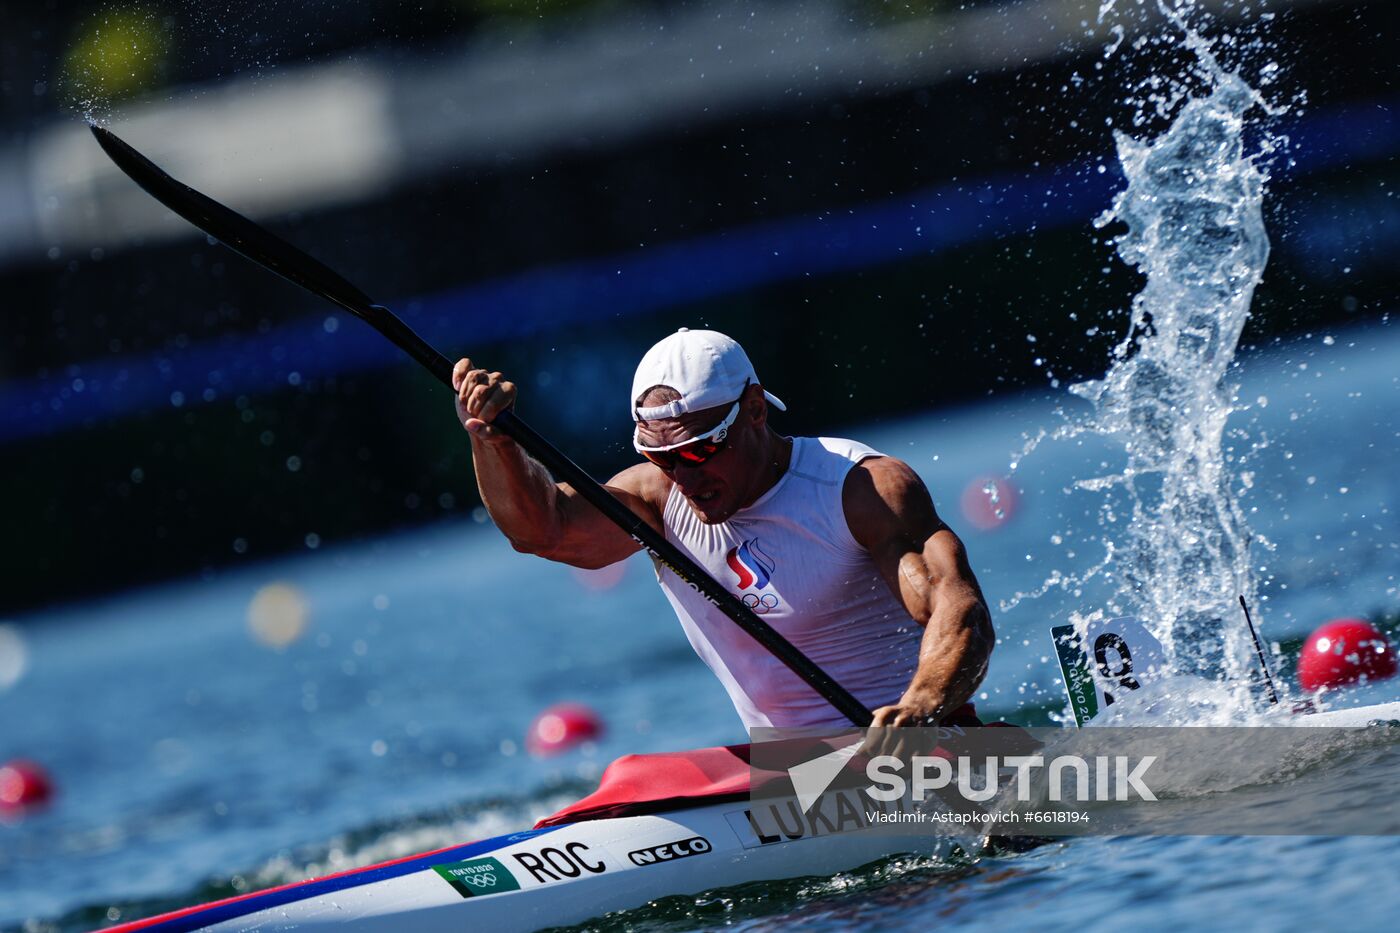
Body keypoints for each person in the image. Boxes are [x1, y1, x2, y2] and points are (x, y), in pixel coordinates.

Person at [452, 327, 993, 731]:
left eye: (700, 450)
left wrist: (920, 705)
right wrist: (494, 442)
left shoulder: (860, 490)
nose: (685, 476)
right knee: (636, 779)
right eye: (662, 457)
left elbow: (958, 608)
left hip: (919, 745)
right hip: (789, 775)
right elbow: (541, 532)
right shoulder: (655, 498)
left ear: (755, 409)